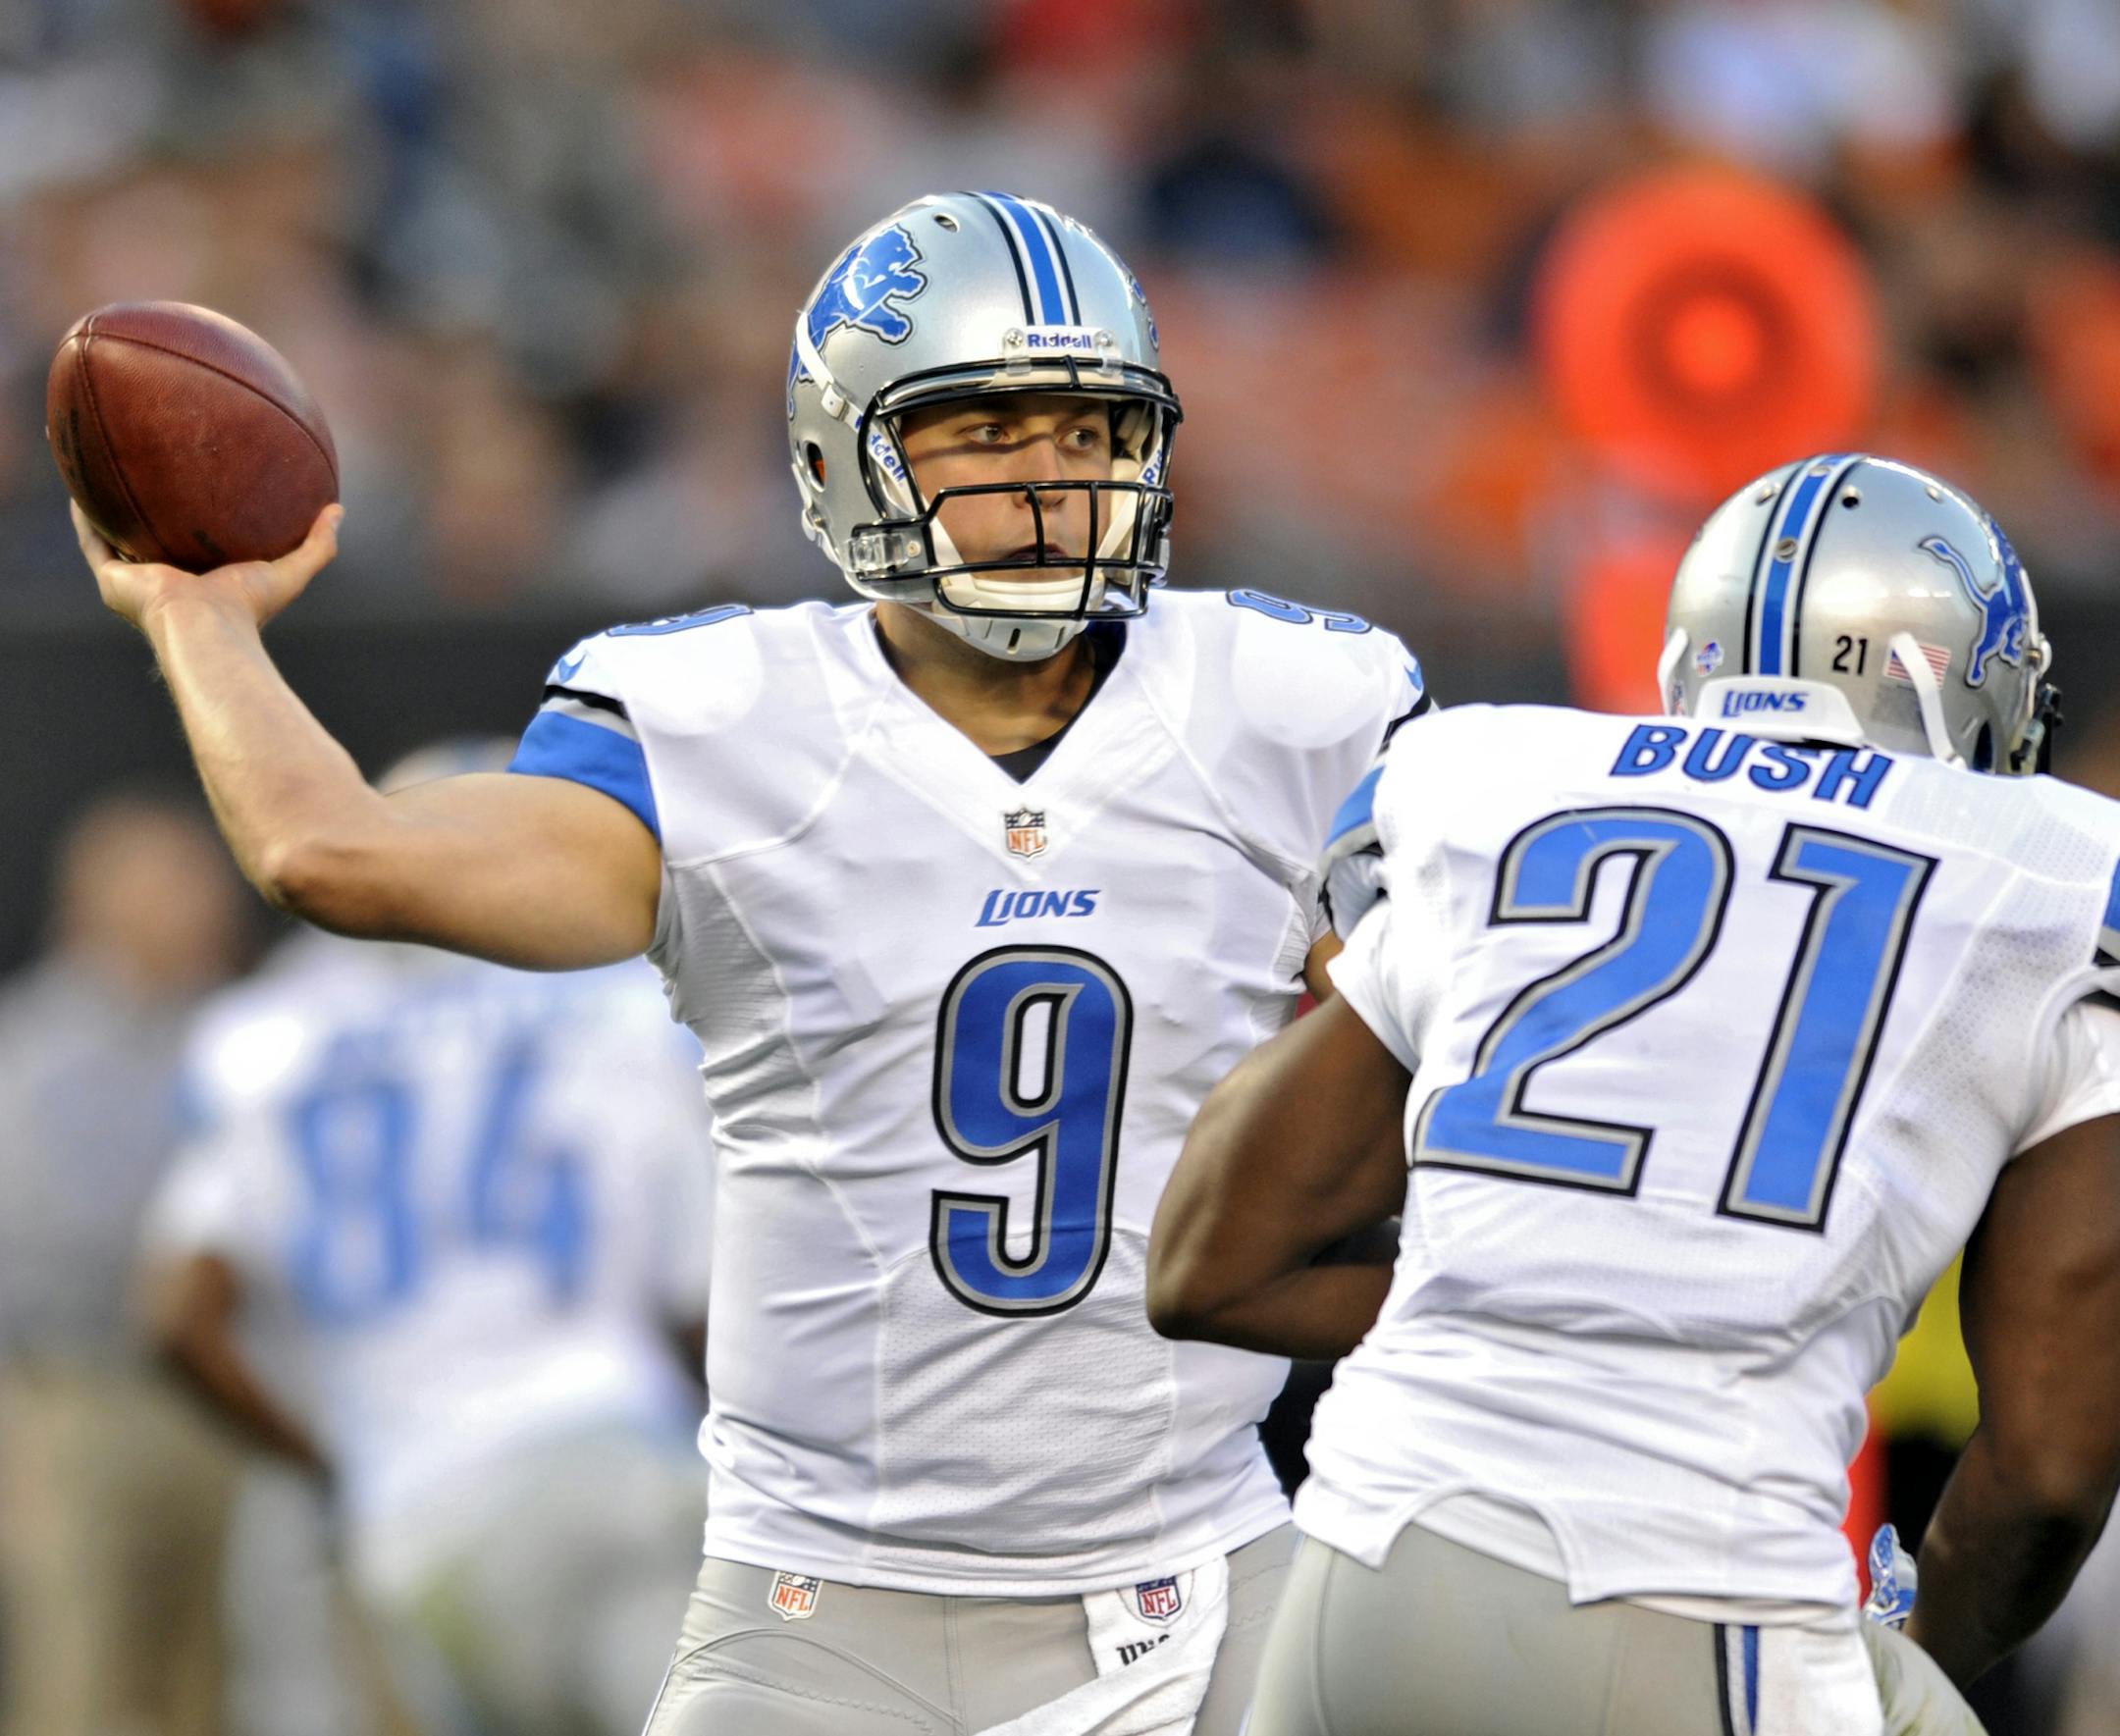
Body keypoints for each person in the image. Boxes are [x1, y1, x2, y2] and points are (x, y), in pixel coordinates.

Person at [75, 191, 1429, 1735]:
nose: (1049, 487)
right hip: (824, 1606)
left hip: (1207, 1573)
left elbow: (1458, 1052)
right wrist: (201, 622)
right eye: (983, 436)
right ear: (843, 458)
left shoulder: (1294, 705)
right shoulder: (725, 719)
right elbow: (335, 857)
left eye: (1087, 432)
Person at [1147, 453, 2120, 1735]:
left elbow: (1204, 1266)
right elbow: (2050, 1466)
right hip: (1701, 1608)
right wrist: (1923, 1648)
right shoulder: (2046, 877)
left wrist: (1528, 1294)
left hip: (1362, 1583)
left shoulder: (1498, 786)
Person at [139, 745, 714, 1736]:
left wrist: (338, 1463)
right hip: (612, 1457)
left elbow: (174, 1316)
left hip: (415, 1517)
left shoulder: (272, 1035)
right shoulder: (625, 1008)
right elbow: (712, 1302)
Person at [0, 789, 251, 1736]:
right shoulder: (32, 1047)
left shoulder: (245, 1033)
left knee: (214, 1682)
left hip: (229, 1406)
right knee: (85, 1678)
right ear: (96, 897)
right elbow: (41, 1236)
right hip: (80, 1400)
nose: (205, 901)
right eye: (174, 881)